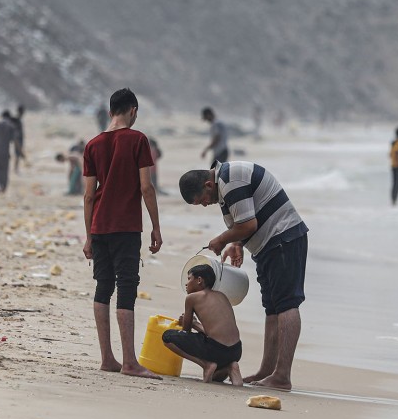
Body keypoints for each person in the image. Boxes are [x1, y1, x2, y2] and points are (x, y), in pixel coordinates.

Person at [179, 160, 309, 390]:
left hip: (283, 238)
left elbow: (248, 224)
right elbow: (245, 218)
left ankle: (282, 375)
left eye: (202, 200)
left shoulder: (230, 180)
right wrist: (237, 242)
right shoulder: (224, 185)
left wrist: (221, 240)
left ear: (208, 185)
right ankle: (268, 370)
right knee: (272, 308)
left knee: (287, 304)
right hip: (269, 245)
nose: (205, 205)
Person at [82, 88, 163, 379]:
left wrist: (89, 235)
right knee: (127, 287)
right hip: (126, 226)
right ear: (134, 111)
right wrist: (155, 225)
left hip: (99, 226)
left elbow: (89, 195)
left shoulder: (92, 145)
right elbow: (145, 187)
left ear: (109, 112)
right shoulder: (137, 139)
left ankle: (107, 358)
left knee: (103, 287)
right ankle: (129, 361)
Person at [162, 264, 243, 385]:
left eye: (189, 279)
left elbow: (186, 331)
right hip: (236, 351)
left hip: (216, 349)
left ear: (199, 280)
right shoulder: (222, 296)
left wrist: (191, 323)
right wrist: (196, 324)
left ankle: (205, 364)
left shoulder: (192, 298)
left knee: (167, 337)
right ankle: (231, 366)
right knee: (217, 377)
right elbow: (216, 332)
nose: (186, 283)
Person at [9, 105, 26, 174]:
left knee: (18, 154)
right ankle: (15, 169)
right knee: (17, 154)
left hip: (18, 138)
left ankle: (16, 168)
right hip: (17, 138)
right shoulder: (16, 119)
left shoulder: (17, 119)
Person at [389, 126, 398, 206]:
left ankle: (393, 200)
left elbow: (390, 154)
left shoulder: (394, 142)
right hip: (396, 166)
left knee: (395, 183)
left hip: (393, 165)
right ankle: (394, 200)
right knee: (397, 183)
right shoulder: (397, 143)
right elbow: (396, 153)